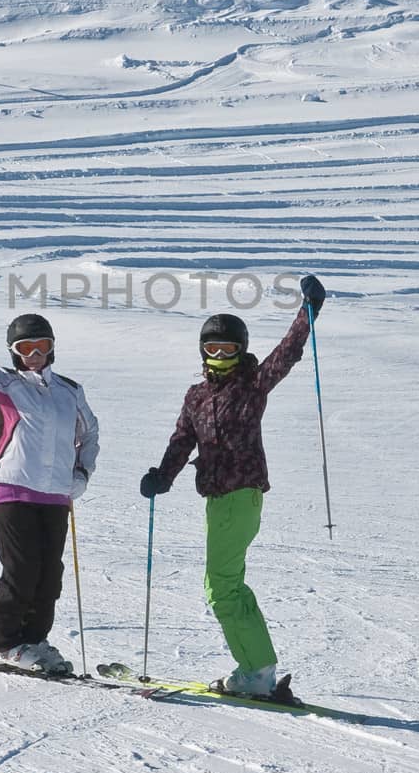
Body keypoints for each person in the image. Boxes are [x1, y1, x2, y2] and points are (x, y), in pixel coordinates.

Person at [140, 275, 326, 699]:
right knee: (228, 582)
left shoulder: (252, 384)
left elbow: (287, 354)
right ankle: (256, 666)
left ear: (241, 351)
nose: (221, 356)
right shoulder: (196, 397)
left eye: (229, 349)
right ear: (202, 352)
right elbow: (182, 441)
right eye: (213, 349)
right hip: (218, 499)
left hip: (241, 494)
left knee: (222, 585)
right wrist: (162, 477)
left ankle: (256, 670)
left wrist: (307, 313)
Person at [0, 286, 99, 675]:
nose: (35, 354)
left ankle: (33, 641)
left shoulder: (70, 391)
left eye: (41, 345)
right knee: (22, 569)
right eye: (26, 348)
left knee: (49, 575)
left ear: (52, 347)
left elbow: (90, 434)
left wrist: (81, 473)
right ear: (15, 352)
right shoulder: (6, 384)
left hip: (56, 495)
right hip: (12, 487)